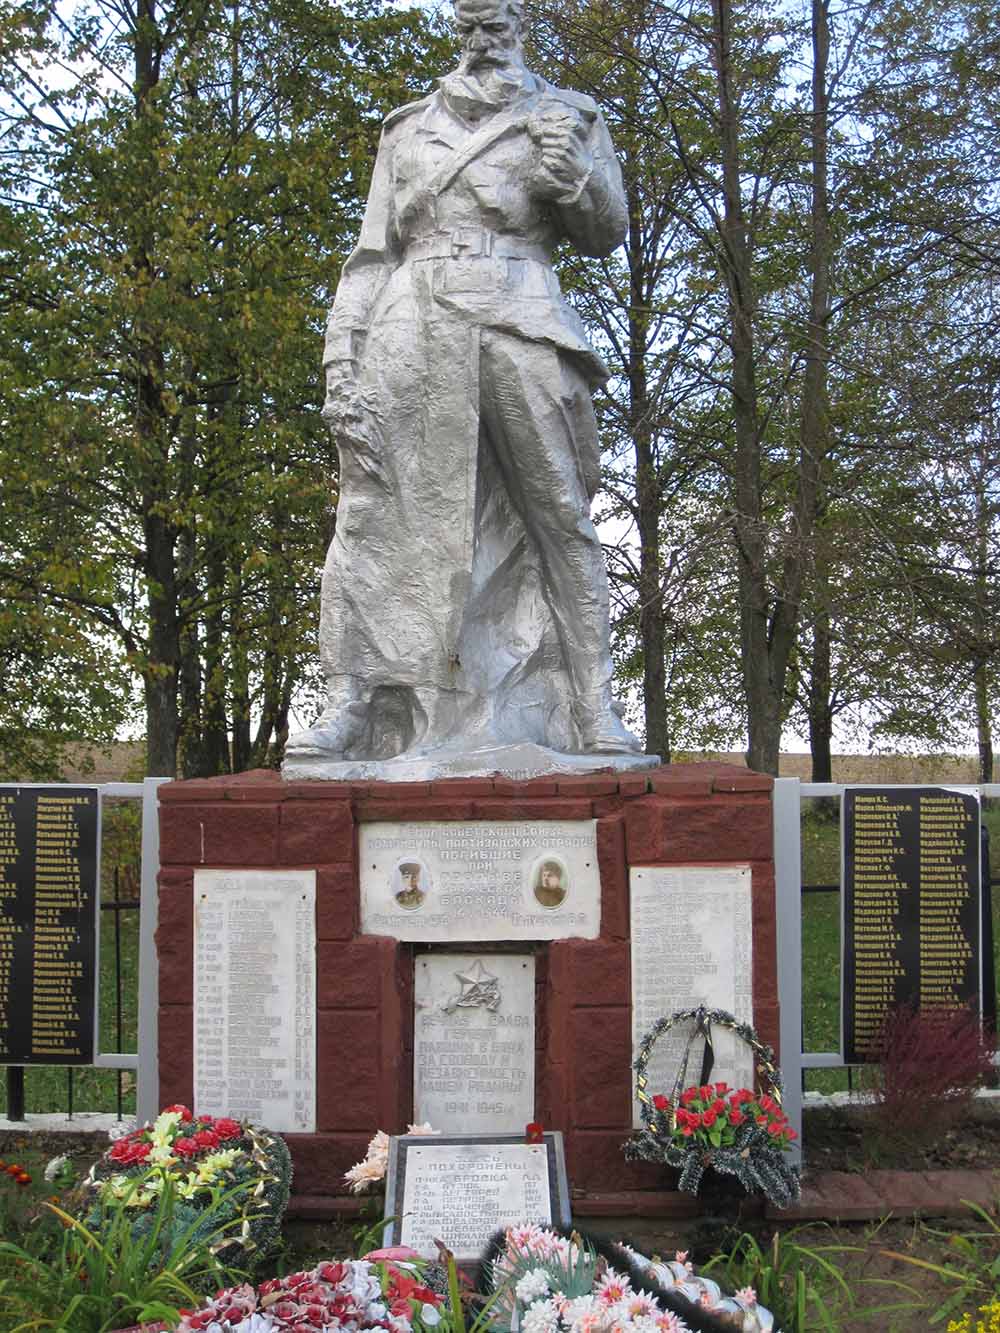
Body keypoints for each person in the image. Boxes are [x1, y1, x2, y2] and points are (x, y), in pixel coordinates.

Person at [285, 0, 642, 767]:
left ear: (521, 24)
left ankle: (592, 704)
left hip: (522, 314)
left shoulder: (568, 116)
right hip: (410, 325)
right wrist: (339, 362)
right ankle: (352, 698)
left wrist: (574, 179)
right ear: (456, 27)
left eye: (497, 24)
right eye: (470, 24)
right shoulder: (407, 128)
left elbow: (607, 230)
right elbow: (371, 256)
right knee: (372, 513)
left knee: (560, 513)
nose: (484, 39)